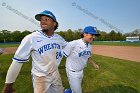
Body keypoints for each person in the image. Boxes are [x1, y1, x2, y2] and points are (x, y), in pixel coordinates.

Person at [2, 10, 67, 93]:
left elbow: (69, 47)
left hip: (55, 73)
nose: (42, 22)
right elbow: (17, 62)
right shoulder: (31, 38)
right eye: (41, 20)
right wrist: (8, 86)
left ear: (54, 23)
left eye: (46, 19)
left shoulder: (59, 38)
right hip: (40, 76)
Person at [63, 26, 100, 93]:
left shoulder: (89, 45)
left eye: (95, 35)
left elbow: (88, 56)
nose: (94, 37)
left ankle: (68, 91)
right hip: (72, 72)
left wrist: (94, 64)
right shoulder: (73, 44)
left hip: (81, 71)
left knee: (75, 87)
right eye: (92, 34)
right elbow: (63, 54)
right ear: (84, 34)